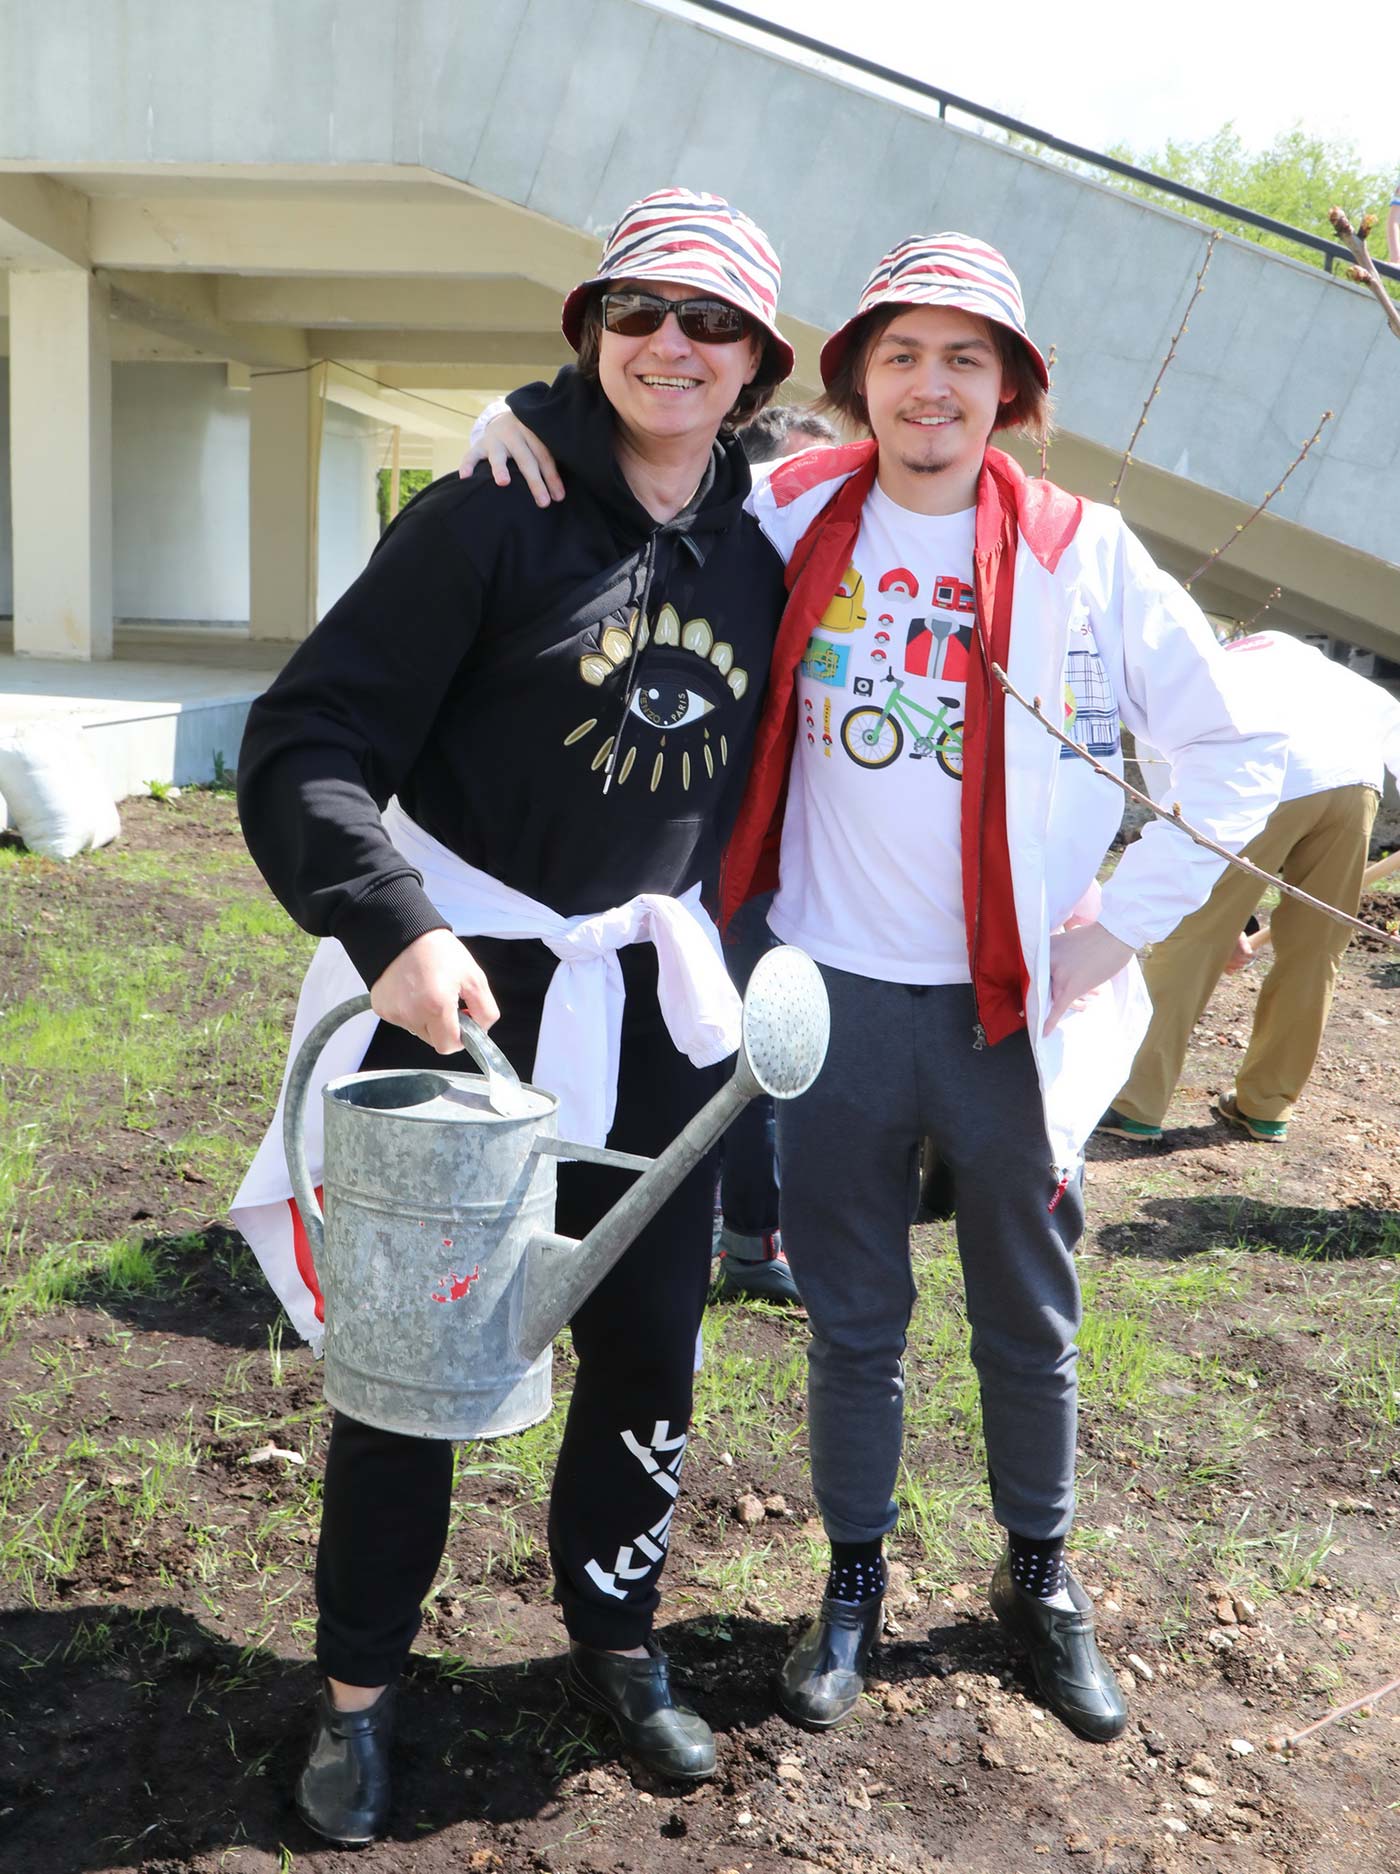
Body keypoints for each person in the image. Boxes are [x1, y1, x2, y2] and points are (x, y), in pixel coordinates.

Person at [467, 231, 1284, 1745]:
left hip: (1007, 1015)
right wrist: (510, 420)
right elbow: (642, 464)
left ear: (1009, 388)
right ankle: (851, 1584)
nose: (930, 386)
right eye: (900, 354)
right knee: (853, 1317)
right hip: (827, 999)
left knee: (1028, 1314)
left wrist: (1113, 934)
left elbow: (1238, 751)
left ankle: (1039, 1578)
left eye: (965, 358)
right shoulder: (793, 506)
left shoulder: (1080, 550)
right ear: (855, 379)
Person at [231, 187, 796, 1842]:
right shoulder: (490, 510)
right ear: (588, 331)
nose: (672, 343)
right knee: (413, 1357)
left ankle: (617, 1631)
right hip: (462, 1003)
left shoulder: (763, 547)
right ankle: (356, 1691)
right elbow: (309, 738)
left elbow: (922, 479)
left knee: (648, 1349)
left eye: (712, 321)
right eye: (638, 311)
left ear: (758, 363)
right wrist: (391, 923)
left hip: (657, 1010)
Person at [1104, 630, 1400, 1145]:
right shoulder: (1306, 659)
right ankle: (1266, 1106)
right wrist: (1240, 926)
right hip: (1355, 785)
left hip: (1263, 775)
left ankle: (1134, 1103)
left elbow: (1185, 819)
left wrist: (1230, 926)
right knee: (1315, 951)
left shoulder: (1189, 678)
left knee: (1192, 939)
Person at [716, 404, 839, 1304]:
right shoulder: (726, 568)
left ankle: (753, 1229)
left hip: (810, 859)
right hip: (731, 857)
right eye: (801, 480)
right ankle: (749, 1236)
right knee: (746, 1043)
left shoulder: (831, 582)